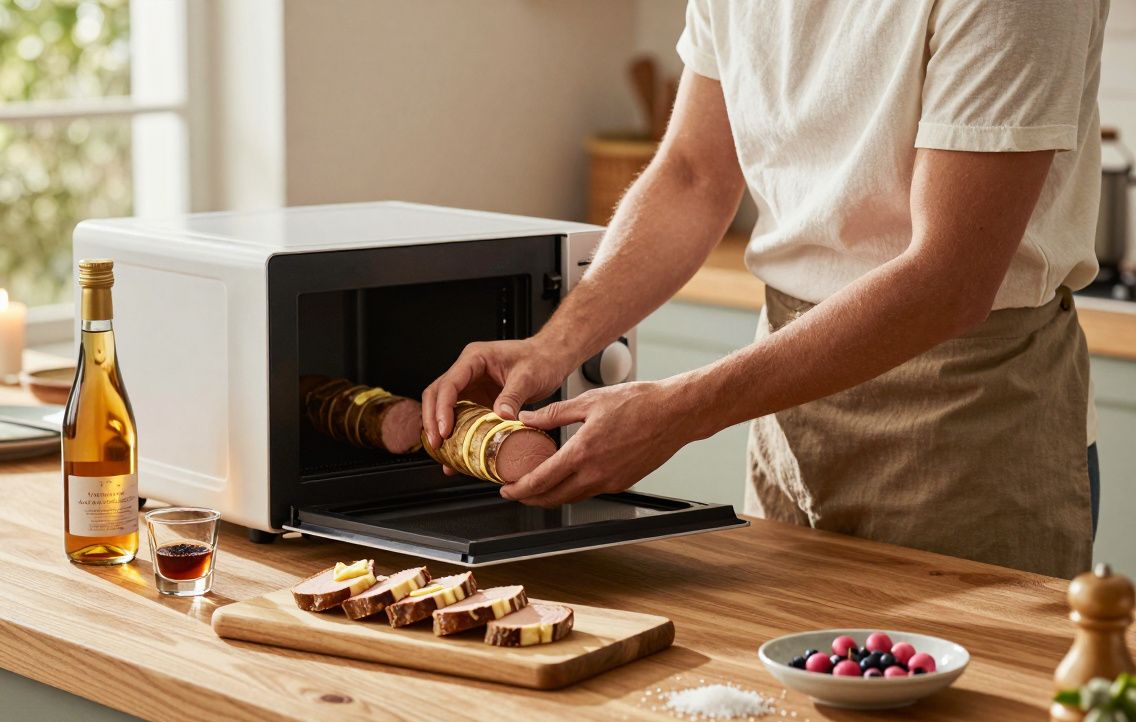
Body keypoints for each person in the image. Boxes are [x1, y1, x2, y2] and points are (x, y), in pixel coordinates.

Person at [422, 0, 1109, 579]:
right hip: (785, 402)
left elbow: (950, 279)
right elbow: (693, 174)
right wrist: (553, 346)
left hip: (966, 422)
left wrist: (682, 411)